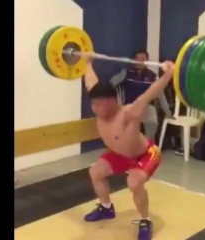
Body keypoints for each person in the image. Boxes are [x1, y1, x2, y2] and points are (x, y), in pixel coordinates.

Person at [83, 52, 174, 240]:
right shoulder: (99, 100)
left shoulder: (129, 113)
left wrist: (167, 74)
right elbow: (91, 82)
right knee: (95, 172)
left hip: (145, 154)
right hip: (120, 155)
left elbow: (150, 93)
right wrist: (87, 62)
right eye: (94, 105)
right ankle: (106, 208)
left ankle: (145, 220)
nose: (97, 109)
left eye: (101, 105)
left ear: (113, 101)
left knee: (133, 182)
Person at [109, 49, 172, 141]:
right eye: (138, 58)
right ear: (133, 60)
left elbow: (160, 93)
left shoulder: (152, 75)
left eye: (143, 58)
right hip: (129, 106)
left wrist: (167, 111)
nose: (141, 61)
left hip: (146, 106)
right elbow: (111, 84)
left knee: (152, 122)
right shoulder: (127, 73)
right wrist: (122, 76)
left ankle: (147, 146)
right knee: (127, 127)